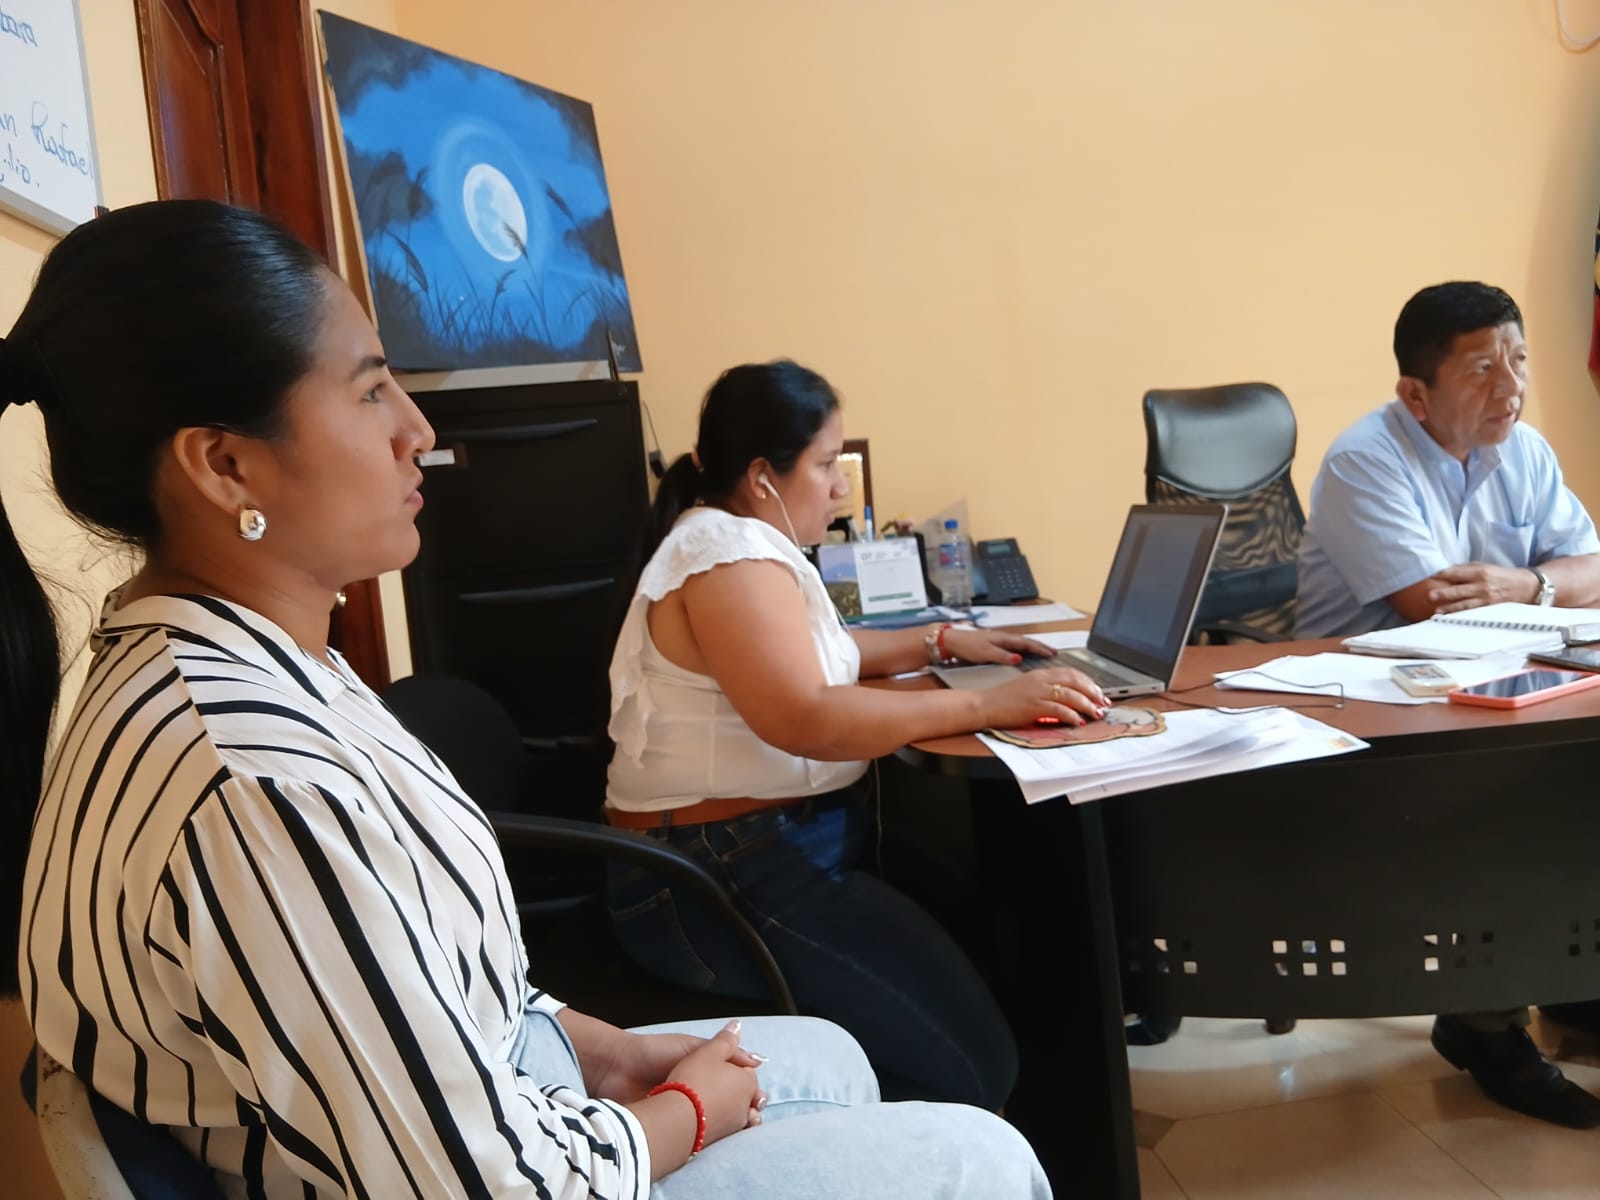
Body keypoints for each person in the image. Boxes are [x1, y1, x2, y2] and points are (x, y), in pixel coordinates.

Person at [2, 200, 1051, 1198]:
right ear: (226, 465)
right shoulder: (257, 784)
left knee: (829, 1056)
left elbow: (443, 977)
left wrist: (609, 1057)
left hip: (484, 1101)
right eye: (370, 392)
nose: (419, 431)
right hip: (495, 1168)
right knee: (984, 1163)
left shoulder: (256, 665)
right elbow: (486, 1186)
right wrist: (684, 1111)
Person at [604, 359, 1108, 1111]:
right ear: (763, 476)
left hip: (752, 846)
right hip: (712, 874)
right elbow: (804, 716)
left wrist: (938, 641)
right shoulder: (727, 557)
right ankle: (838, 1129)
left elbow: (818, 655)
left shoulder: (732, 540)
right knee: (976, 1066)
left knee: (988, 926)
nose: (840, 487)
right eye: (825, 464)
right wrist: (990, 705)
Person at [1296, 280, 1600, 1129]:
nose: (1512, 386)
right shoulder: (1364, 461)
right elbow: (1429, 604)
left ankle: (1570, 980)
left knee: (1578, 777)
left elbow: (1591, 570)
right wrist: (1548, 589)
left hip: (1500, 691)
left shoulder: (1524, 450)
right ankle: (1485, 1025)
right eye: (1482, 370)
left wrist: (1525, 583)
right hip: (1374, 722)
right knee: (1505, 796)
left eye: (1519, 360)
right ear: (1416, 394)